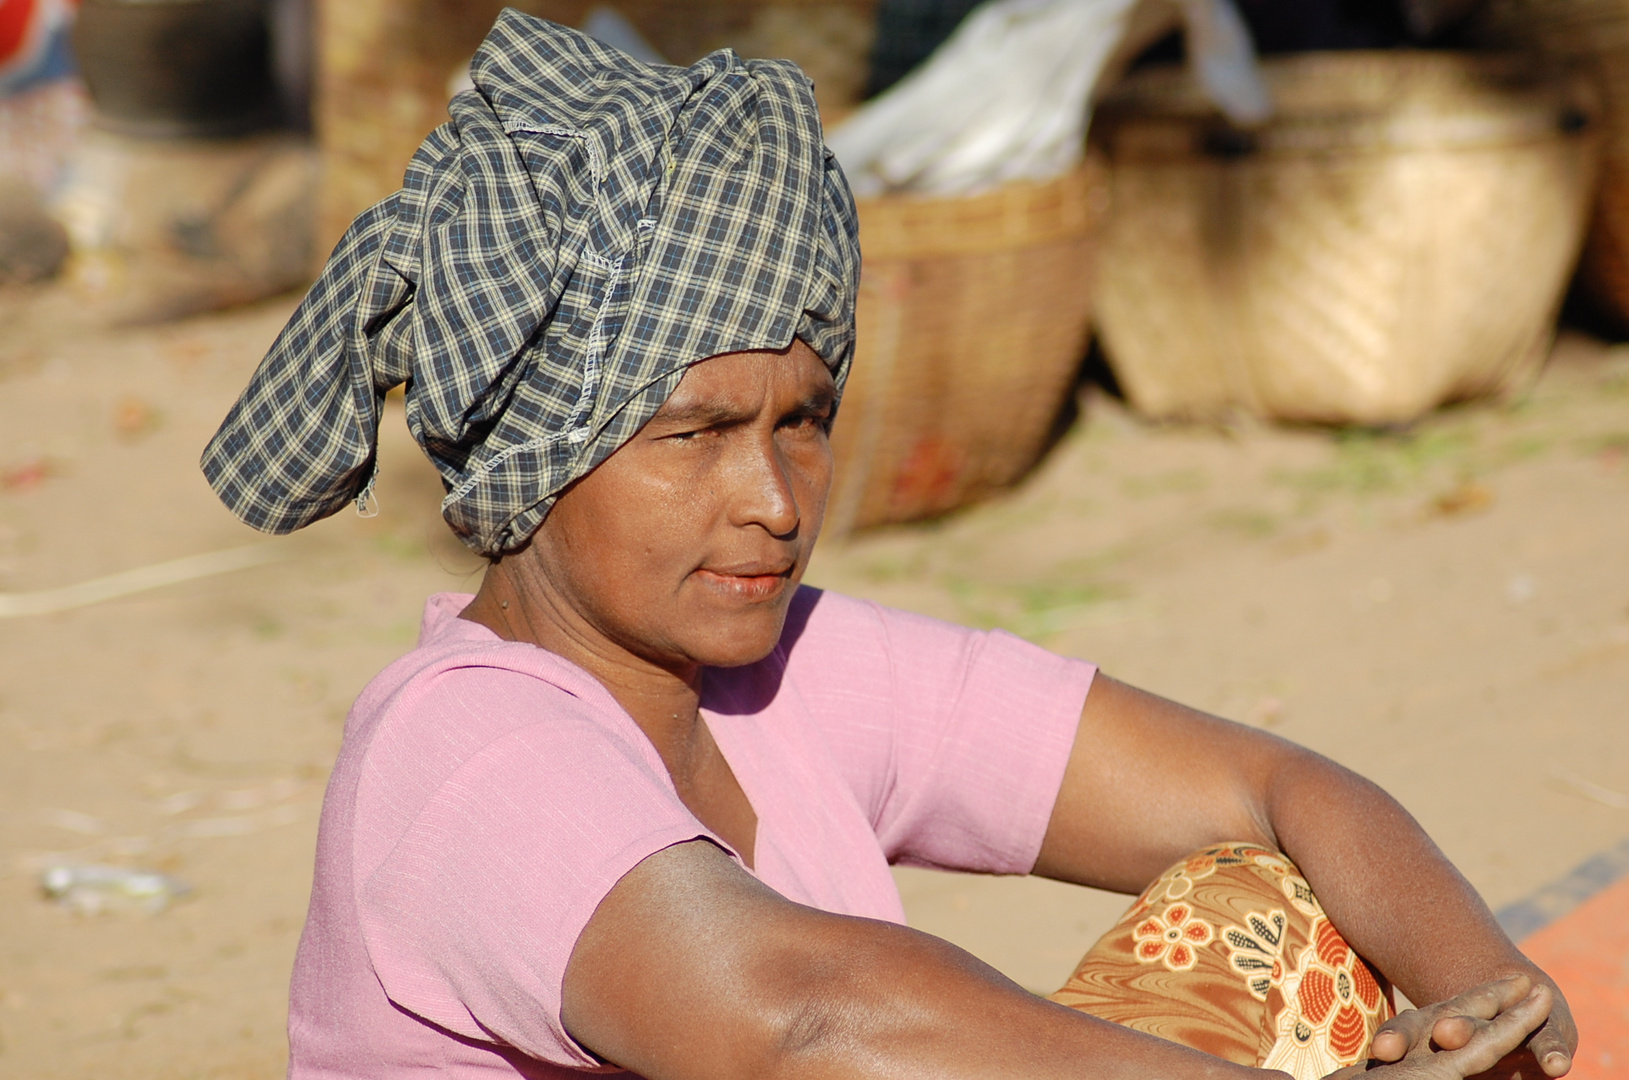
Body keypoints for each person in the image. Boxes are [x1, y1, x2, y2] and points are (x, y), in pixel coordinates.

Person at [202, 12, 1575, 1080]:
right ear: (535, 463)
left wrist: (1485, 1001)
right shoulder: (470, 756)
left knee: (1263, 904)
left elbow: (1266, 787)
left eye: (803, 421)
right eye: (690, 437)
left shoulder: (784, 669)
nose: (775, 500)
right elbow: (803, 1023)